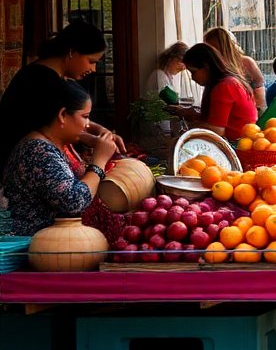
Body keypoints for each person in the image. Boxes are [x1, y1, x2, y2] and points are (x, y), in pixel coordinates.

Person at [0, 21, 123, 175]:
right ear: (71, 52)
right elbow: (50, 128)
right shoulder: (40, 82)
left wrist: (100, 131)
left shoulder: (49, 75)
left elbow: (68, 117)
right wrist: (92, 140)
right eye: (91, 61)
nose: (93, 69)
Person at [3, 81, 117, 237]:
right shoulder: (38, 152)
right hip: (34, 248)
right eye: (85, 117)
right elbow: (74, 202)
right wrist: (98, 162)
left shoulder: (51, 144)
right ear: (62, 115)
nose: (88, 125)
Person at [177, 43, 259, 141]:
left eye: (193, 72)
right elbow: (223, 120)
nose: (192, 78)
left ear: (206, 67)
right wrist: (194, 116)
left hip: (236, 146)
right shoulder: (232, 81)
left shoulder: (225, 86)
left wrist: (191, 128)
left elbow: (217, 130)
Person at [203, 27, 266, 110]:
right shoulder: (213, 66)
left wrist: (257, 112)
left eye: (214, 48)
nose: (212, 53)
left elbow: (259, 90)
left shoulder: (246, 62)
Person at [146, 42, 201, 106]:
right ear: (171, 58)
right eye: (182, 62)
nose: (184, 68)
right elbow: (168, 102)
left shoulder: (172, 77)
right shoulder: (159, 75)